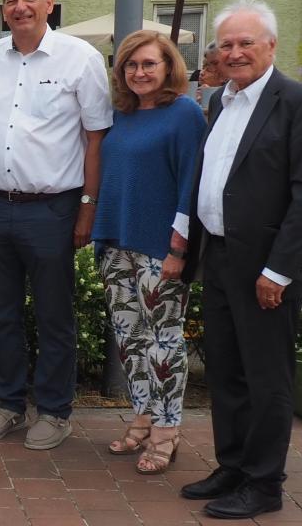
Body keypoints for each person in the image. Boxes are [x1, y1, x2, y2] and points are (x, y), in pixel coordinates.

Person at [180, 0, 302, 520]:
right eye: (226, 44)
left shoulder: (300, 103)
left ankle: (265, 484)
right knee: (225, 371)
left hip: (268, 267)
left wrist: (279, 271)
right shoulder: (220, 102)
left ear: (271, 45)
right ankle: (235, 464)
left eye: (246, 42)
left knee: (266, 379)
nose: (235, 52)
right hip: (220, 257)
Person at [0, 0, 111, 450]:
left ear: (50, 3)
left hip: (53, 208)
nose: (20, 7)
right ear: (3, 9)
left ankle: (54, 410)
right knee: (1, 314)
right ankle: (9, 404)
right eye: (11, 0)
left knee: (54, 315)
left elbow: (97, 139)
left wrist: (88, 208)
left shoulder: (81, 59)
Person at [90, 31, 206, 474]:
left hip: (161, 247)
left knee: (165, 343)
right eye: (130, 66)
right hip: (115, 242)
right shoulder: (121, 115)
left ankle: (167, 431)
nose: (139, 72)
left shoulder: (184, 114)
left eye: (148, 64)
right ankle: (142, 417)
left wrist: (180, 247)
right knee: (131, 340)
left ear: (168, 67)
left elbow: (190, 186)